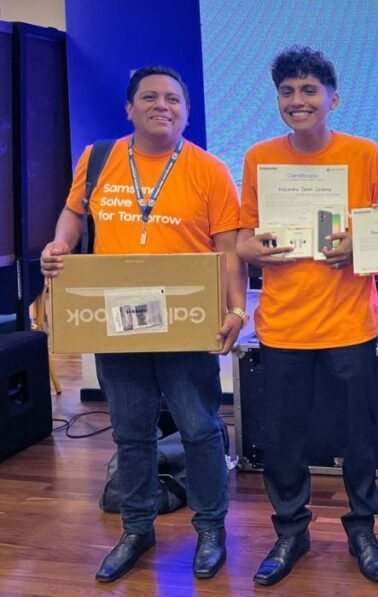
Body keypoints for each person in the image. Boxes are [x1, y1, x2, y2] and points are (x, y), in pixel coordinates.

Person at [40, 65, 245, 582]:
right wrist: (60, 244)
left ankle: (210, 528)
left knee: (200, 429)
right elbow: (73, 213)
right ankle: (136, 528)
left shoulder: (210, 170)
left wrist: (237, 310)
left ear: (187, 112)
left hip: (185, 322)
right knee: (132, 433)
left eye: (173, 99)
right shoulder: (98, 158)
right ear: (129, 108)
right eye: (149, 97)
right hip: (117, 322)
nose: (162, 106)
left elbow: (227, 250)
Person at [235, 47, 378, 586]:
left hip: (350, 321)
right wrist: (263, 250)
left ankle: (363, 530)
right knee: (284, 439)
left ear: (333, 99)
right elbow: (243, 241)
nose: (297, 100)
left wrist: (360, 244)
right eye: (287, 91)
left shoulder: (364, 154)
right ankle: (290, 531)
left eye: (309, 90)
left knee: (358, 437)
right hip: (283, 323)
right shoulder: (259, 158)